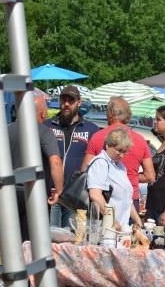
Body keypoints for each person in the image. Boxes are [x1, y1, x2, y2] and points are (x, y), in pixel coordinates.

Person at [81, 97, 155, 211]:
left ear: (110, 113)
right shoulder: (140, 140)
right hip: (129, 200)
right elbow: (150, 176)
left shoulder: (97, 137)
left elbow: (85, 169)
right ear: (128, 115)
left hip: (102, 197)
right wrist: (132, 176)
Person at [7, 95, 64, 240]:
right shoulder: (44, 132)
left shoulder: (6, 131)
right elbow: (55, 161)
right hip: (34, 193)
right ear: (42, 113)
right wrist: (59, 190)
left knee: (11, 243)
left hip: (9, 193)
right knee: (34, 244)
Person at [45, 85, 100, 227]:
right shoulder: (48, 126)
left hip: (75, 195)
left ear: (79, 102)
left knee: (71, 239)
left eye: (71, 100)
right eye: (63, 100)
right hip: (51, 193)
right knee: (50, 238)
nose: (67, 104)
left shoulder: (91, 129)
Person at [87, 127, 142, 229]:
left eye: (125, 151)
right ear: (108, 145)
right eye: (119, 150)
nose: (122, 155)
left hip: (120, 226)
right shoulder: (100, 163)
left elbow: (127, 199)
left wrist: (137, 219)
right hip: (104, 227)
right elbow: (95, 195)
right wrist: (112, 220)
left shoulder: (120, 166)